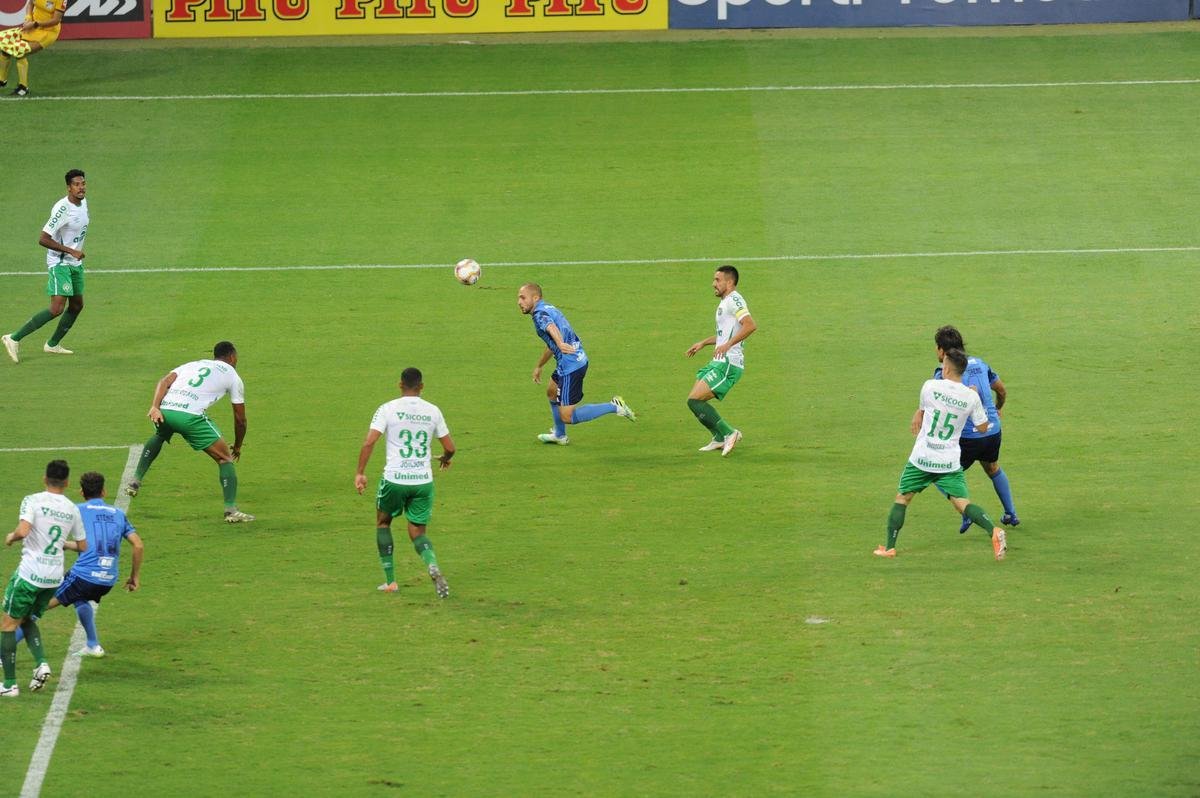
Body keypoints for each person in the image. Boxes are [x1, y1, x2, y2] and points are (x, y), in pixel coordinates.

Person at [875, 348, 1008, 561]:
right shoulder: (971, 396)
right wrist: (972, 396)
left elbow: (926, 410)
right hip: (949, 461)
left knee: (903, 498)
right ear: (962, 372)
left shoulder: (929, 386)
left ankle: (889, 548)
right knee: (962, 503)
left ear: (945, 368)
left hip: (923, 457)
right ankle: (994, 530)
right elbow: (983, 427)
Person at [15, 471, 144, 658]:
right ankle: (93, 645)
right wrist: (134, 577)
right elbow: (138, 545)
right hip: (108, 580)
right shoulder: (118, 514)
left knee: (36, 607)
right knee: (80, 598)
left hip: (84, 577)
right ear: (104, 492)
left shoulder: (76, 510)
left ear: (82, 492)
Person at [126, 341, 255, 523]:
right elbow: (240, 419)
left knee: (160, 435)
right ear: (233, 357)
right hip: (189, 417)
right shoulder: (233, 376)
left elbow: (164, 381)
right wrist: (239, 445)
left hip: (166, 410)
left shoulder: (193, 364)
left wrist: (155, 406)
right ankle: (231, 510)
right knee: (225, 459)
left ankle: (135, 480)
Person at [355, 367, 456, 599]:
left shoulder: (388, 408)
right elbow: (450, 448)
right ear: (421, 387)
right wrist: (445, 459)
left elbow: (369, 442)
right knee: (418, 532)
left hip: (395, 478)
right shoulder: (433, 411)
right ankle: (431, 563)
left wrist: (360, 472)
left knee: (383, 522)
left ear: (400, 384)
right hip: (422, 481)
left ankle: (390, 582)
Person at [1, 460, 87, 698]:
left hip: (30, 573)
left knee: (7, 624)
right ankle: (41, 663)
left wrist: (11, 536)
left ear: (44, 478)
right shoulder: (72, 508)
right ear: (67, 482)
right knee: (27, 618)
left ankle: (9, 684)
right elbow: (82, 546)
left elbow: (23, 531)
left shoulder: (33, 500)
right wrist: (62, 544)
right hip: (53, 577)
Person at [516, 283, 636, 445]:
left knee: (568, 417)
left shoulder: (539, 314)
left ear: (535, 298)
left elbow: (551, 328)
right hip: (574, 359)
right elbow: (551, 343)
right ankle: (559, 435)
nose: (519, 302)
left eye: (523, 297)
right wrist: (540, 365)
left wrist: (559, 342)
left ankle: (614, 406)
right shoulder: (548, 308)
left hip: (571, 367)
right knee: (552, 391)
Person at [932, 326, 1020, 531]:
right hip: (992, 432)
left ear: (943, 351)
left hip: (968, 438)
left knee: (939, 475)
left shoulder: (943, 375)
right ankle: (1011, 513)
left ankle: (967, 512)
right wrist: (997, 409)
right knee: (992, 467)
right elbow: (1001, 389)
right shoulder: (980, 364)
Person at [2, 169, 89, 363]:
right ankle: (13, 338)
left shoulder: (83, 204)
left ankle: (52, 345)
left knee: (76, 305)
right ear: (68, 187)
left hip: (74, 262)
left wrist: (74, 253)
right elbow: (43, 239)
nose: (81, 187)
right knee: (57, 307)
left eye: (83, 183)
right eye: (76, 184)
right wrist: (70, 250)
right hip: (60, 262)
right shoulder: (62, 209)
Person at [685, 265, 758, 456]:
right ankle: (718, 438)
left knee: (695, 401)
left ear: (729, 282)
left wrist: (729, 345)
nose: (713, 284)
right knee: (693, 400)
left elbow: (750, 325)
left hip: (729, 364)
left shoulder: (734, 300)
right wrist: (704, 343)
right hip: (719, 361)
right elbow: (724, 336)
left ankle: (729, 432)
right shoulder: (725, 302)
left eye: (717, 280)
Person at [0, 0, 66, 97]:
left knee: (19, 50)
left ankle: (23, 88)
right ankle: (2, 80)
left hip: (47, 32)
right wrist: (28, 18)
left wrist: (35, 24)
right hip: (32, 27)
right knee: (4, 43)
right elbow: (30, 4)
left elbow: (56, 20)